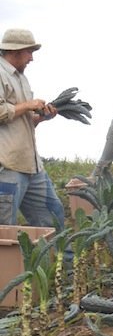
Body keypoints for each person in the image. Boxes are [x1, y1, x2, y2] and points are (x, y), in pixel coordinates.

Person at [0, 28, 65, 229]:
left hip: (31, 166)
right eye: (29, 52)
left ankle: (62, 260)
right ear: (15, 51)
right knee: (5, 231)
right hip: (7, 167)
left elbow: (20, 121)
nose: (31, 58)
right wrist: (29, 105)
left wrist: (40, 118)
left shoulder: (20, 78)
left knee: (54, 219)